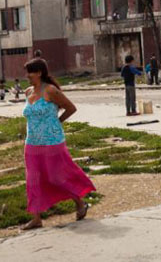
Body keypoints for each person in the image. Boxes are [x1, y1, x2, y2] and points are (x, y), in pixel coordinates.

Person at [21, 58, 95, 230]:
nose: (27, 76)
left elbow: (71, 108)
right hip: (32, 143)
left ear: (39, 72)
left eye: (29, 72)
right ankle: (36, 218)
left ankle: (80, 202)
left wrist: (57, 122)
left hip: (52, 141)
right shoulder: (27, 92)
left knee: (56, 177)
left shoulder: (50, 90)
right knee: (33, 179)